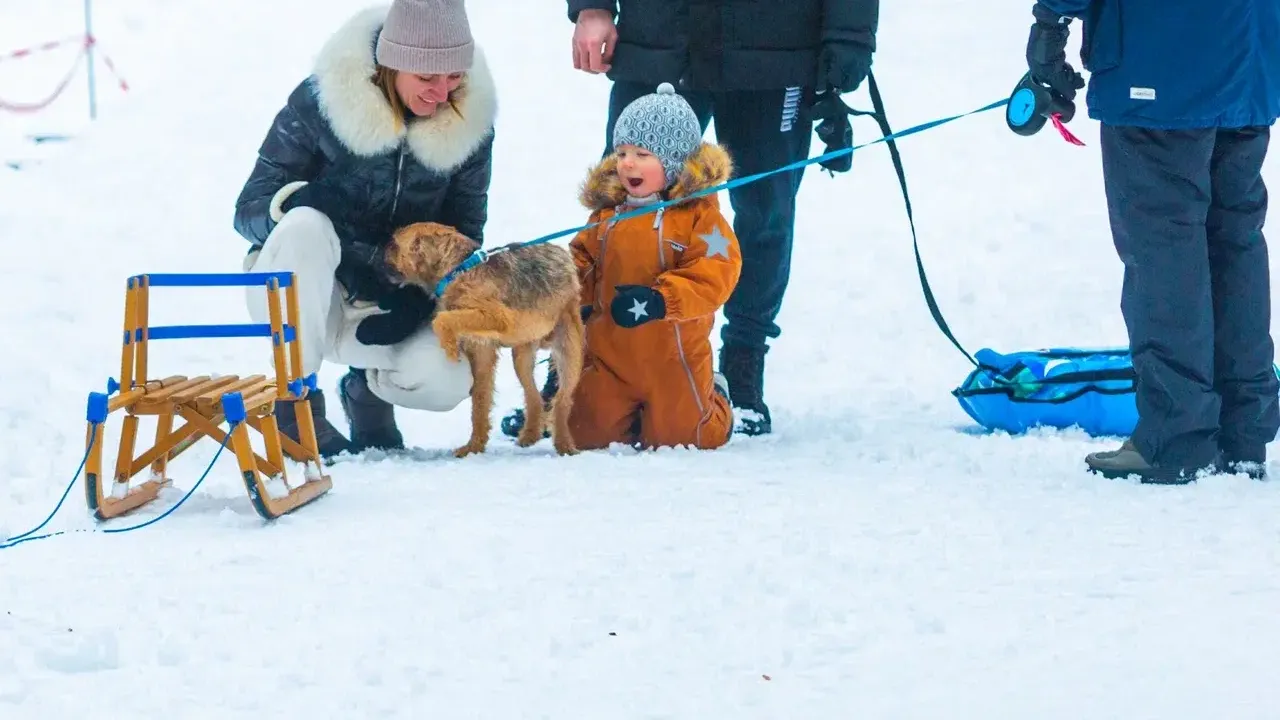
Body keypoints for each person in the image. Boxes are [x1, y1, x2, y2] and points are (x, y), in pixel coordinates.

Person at [501, 0, 880, 440]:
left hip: (777, 51)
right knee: (621, 207)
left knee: (767, 213)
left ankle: (742, 368)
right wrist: (592, 8)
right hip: (661, 40)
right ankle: (576, 367)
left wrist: (849, 34)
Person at [1022, 0, 1280, 481]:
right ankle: (1242, 432)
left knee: (1165, 245)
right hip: (1252, 53)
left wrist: (1051, 19)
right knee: (1235, 240)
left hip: (1162, 55)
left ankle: (1175, 436)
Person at [232, 0, 497, 460]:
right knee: (304, 225)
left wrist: (425, 298)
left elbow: (466, 233)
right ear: (393, 64)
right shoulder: (321, 101)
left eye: (454, 77)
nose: (442, 93)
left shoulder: (468, 127)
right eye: (428, 78)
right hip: (306, 293)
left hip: (387, 303)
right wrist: (298, 199)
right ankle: (295, 403)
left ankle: (366, 391)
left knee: (447, 380)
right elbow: (248, 210)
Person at [568, 83, 741, 450]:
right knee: (583, 434)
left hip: (672, 360)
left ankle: (717, 396)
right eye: (622, 152)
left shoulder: (699, 219)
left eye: (643, 153)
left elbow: (714, 274)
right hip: (610, 356)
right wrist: (574, 301)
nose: (627, 162)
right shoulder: (605, 216)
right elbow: (580, 262)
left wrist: (661, 300)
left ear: (675, 162)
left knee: (687, 438)